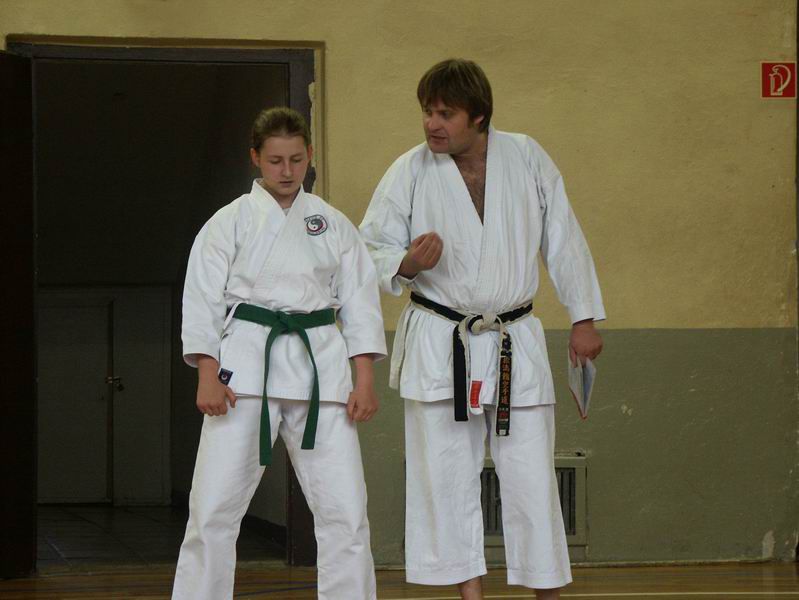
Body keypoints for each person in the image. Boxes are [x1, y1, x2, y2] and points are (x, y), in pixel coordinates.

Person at [360, 59, 605, 600]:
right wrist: (405, 263)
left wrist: (583, 318)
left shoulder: (527, 157)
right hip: (440, 337)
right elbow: (369, 247)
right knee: (444, 476)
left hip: (513, 336)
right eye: (427, 112)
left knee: (531, 477)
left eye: (445, 114)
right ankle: (470, 595)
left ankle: (547, 592)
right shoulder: (410, 170)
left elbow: (564, 238)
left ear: (479, 116)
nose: (432, 124)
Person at [173, 107, 386, 600]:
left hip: (321, 370)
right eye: (275, 161)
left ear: (310, 154)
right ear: (255, 158)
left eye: (295, 159)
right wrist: (206, 372)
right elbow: (202, 300)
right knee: (212, 509)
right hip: (245, 369)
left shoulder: (334, 224)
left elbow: (360, 304)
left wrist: (365, 381)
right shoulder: (227, 223)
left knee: (346, 511)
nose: (287, 171)